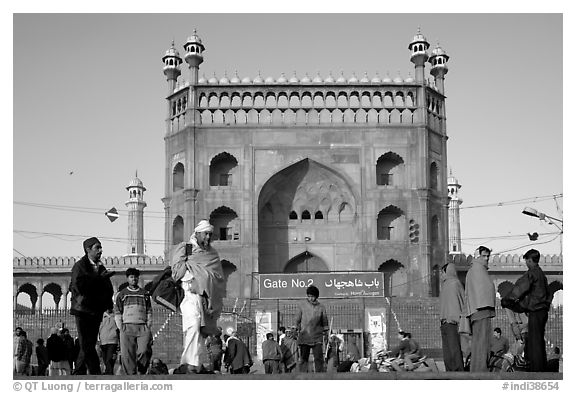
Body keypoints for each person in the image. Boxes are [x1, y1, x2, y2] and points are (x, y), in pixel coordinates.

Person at [170, 220, 226, 373]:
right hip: (189, 295)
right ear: (197, 233)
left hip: (206, 297)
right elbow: (176, 272)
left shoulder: (212, 254)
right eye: (205, 234)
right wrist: (193, 275)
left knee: (202, 331)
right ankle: (189, 363)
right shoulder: (186, 248)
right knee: (193, 325)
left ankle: (194, 364)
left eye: (210, 234)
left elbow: (218, 276)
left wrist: (203, 278)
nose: (208, 237)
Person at [69, 237, 114, 375]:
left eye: (101, 247)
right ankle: (95, 372)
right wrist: (99, 279)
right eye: (97, 248)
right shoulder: (80, 266)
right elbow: (78, 287)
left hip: (95, 311)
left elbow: (108, 288)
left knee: (89, 343)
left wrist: (107, 303)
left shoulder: (100, 267)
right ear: (88, 250)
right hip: (82, 309)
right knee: (86, 343)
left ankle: (79, 371)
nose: (100, 250)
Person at [504, 249, 551, 372]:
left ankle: (536, 371)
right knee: (536, 341)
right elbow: (547, 294)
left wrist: (508, 300)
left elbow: (519, 288)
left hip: (536, 311)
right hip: (542, 311)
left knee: (535, 343)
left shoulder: (532, 273)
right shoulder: (542, 275)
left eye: (527, 261)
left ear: (530, 260)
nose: (526, 263)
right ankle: (536, 367)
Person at [114, 268, 153, 375]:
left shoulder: (144, 294)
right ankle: (131, 376)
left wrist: (148, 324)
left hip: (142, 326)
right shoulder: (122, 294)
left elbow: (149, 310)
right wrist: (120, 326)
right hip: (127, 326)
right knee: (127, 354)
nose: (134, 279)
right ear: (127, 279)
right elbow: (117, 311)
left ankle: (141, 371)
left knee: (144, 350)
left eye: (135, 277)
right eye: (131, 277)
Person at [464, 245, 496, 372]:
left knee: (478, 343)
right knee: (482, 343)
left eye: (488, 256)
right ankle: (480, 370)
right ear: (478, 255)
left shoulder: (474, 269)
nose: (486, 258)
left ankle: (477, 369)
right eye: (484, 256)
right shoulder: (478, 269)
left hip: (478, 311)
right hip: (481, 310)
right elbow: (485, 290)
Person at [295, 285, 329, 373]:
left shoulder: (321, 307)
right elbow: (297, 319)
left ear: (316, 296)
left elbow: (324, 321)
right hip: (305, 336)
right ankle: (302, 376)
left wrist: (326, 333)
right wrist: (296, 329)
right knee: (303, 358)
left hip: (317, 336)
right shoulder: (302, 305)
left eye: (312, 296)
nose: (311, 298)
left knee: (318, 358)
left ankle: (320, 376)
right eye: (309, 296)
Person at [439, 261, 466, 371]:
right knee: (447, 353)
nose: (441, 275)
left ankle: (459, 375)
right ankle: (450, 374)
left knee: (454, 351)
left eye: (442, 272)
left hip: (453, 323)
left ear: (447, 272)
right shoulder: (445, 285)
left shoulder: (455, 283)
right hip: (444, 322)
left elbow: (463, 301)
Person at [99, 308, 119, 375]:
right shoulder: (101, 316)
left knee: (109, 359)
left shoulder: (116, 316)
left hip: (113, 341)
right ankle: (109, 372)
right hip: (103, 341)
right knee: (105, 359)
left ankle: (109, 374)